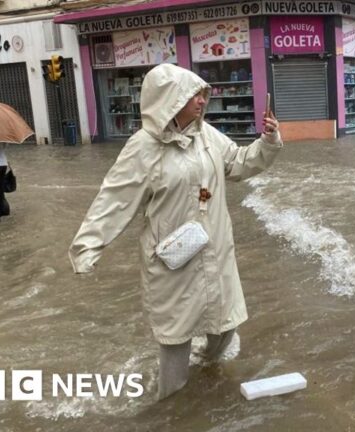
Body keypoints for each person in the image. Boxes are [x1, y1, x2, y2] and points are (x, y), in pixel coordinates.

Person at [68, 64, 283, 401]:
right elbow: (114, 199)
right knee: (175, 338)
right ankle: (170, 407)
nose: (201, 101)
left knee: (224, 325)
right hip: (173, 260)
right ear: (171, 100)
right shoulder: (143, 147)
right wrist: (88, 246)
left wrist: (268, 142)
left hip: (215, 250)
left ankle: (205, 374)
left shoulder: (207, 136)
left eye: (202, 94)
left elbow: (238, 163)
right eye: (193, 95)